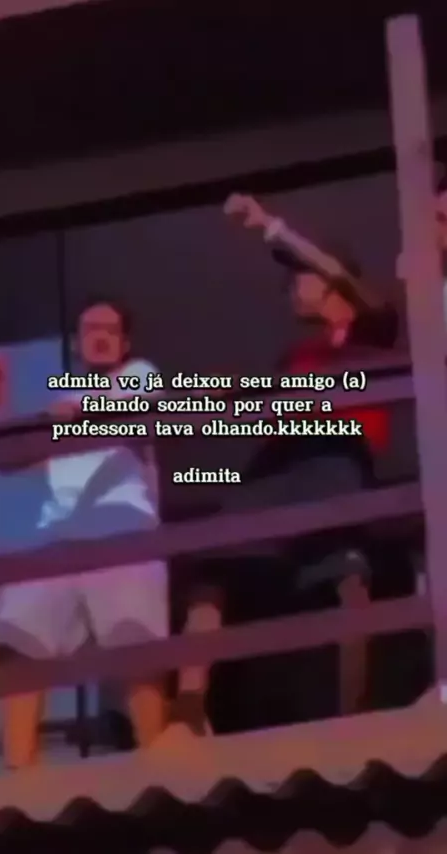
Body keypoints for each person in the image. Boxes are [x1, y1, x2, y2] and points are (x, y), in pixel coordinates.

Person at [0, 297, 169, 767]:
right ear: (77, 343)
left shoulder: (139, 374)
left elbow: (136, 406)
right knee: (21, 635)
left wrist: (69, 412)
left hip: (121, 526)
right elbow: (16, 461)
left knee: (134, 643)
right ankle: (21, 770)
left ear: (125, 342)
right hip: (57, 532)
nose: (99, 337)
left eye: (109, 329)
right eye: (89, 329)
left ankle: (157, 757)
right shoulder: (64, 399)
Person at [222, 193, 400, 716]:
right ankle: (191, 709)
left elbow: (347, 282)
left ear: (328, 281)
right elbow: (262, 416)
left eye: (298, 277)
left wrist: (271, 226)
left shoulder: (373, 328)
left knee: (347, 582)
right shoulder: (296, 355)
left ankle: (352, 719)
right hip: (283, 464)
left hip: (337, 456)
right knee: (216, 566)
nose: (290, 290)